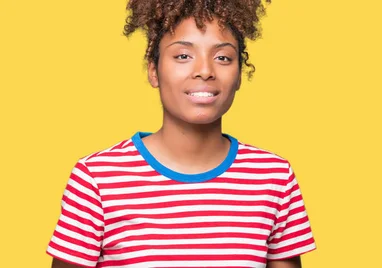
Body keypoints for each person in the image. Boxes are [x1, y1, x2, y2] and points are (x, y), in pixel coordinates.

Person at [46, 0, 316, 267]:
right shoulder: (96, 179)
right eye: (183, 56)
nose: (204, 71)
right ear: (154, 71)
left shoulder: (274, 177)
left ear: (239, 76)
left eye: (222, 57)